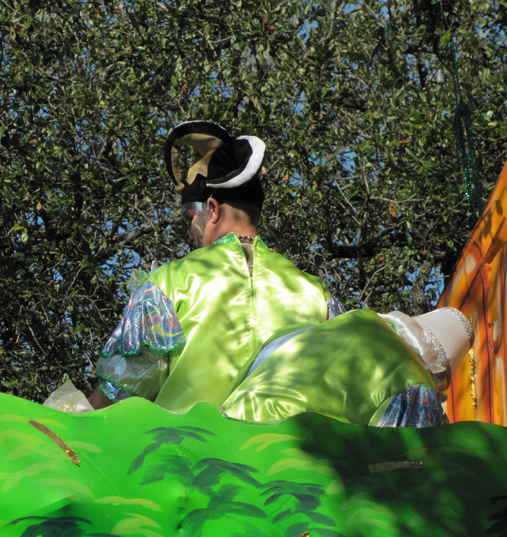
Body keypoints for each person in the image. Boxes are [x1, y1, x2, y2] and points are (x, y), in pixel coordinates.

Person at [87, 121, 470, 426]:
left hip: (184, 488)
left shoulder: (168, 286)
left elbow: (115, 395)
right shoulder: (316, 295)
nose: (190, 231)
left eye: (192, 218)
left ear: (214, 210)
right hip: (291, 496)